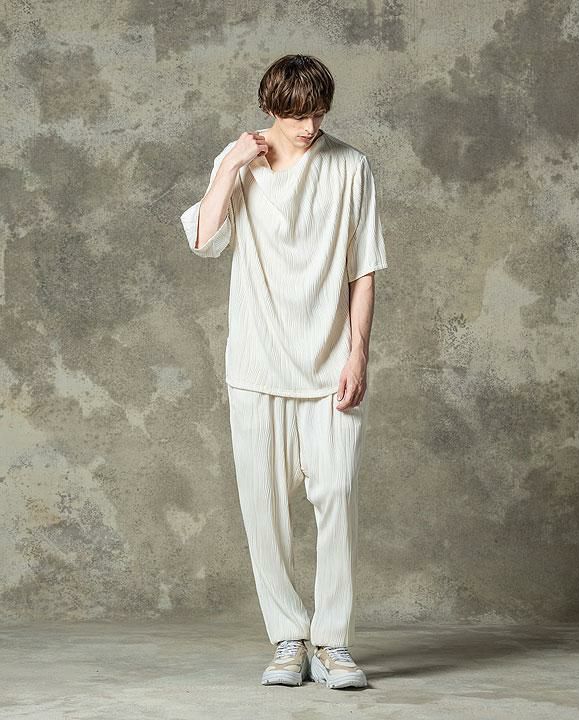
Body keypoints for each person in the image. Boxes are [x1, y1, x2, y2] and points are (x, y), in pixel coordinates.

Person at [179, 54, 388, 690]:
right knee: (263, 508)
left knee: (337, 497)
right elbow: (202, 240)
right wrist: (232, 167)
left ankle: (333, 643)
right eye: (297, 115)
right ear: (271, 108)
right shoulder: (238, 161)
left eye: (318, 113)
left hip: (329, 365)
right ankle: (288, 638)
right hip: (256, 363)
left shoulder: (350, 166)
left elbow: (364, 268)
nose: (309, 127)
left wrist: (358, 353)